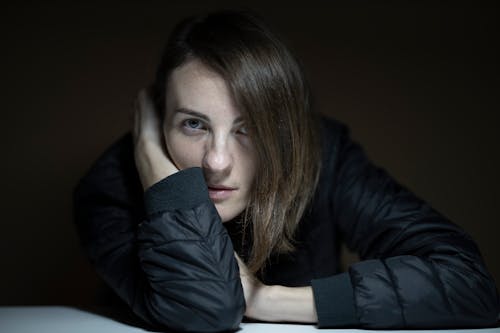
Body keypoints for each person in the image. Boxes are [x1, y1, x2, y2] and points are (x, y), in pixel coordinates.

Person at [73, 10, 499, 332]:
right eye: (193, 124)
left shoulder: (321, 154)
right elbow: (206, 307)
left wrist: (269, 300)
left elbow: (469, 283)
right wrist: (148, 152)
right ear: (159, 116)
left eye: (249, 128)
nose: (216, 162)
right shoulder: (109, 188)